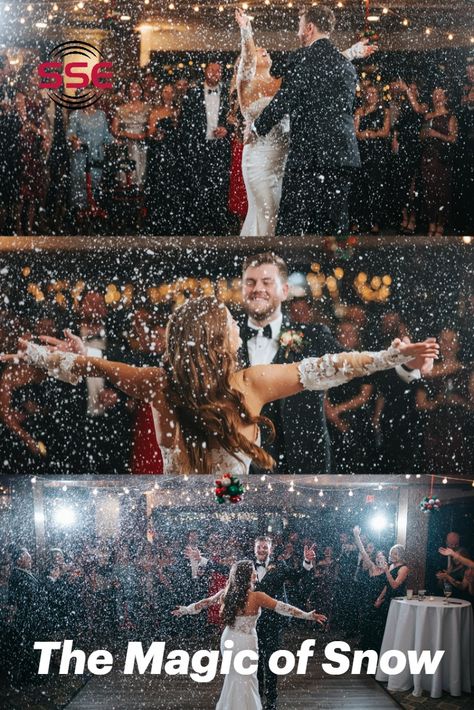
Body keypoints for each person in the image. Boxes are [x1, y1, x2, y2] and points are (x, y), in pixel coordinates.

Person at [1, 296, 438, 475]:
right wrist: (388, 358)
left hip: (175, 515)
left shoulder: (157, 384)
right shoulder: (251, 384)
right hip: (230, 513)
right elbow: (327, 367)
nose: (236, 329)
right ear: (218, 340)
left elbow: (86, 366)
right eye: (230, 325)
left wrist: (43, 355)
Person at [239, 252, 437, 473]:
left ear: (284, 291)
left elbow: (359, 367)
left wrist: (406, 364)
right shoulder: (226, 337)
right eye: (250, 282)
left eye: (267, 282)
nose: (258, 289)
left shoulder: (313, 336)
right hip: (241, 463)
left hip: (302, 466)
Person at [235, 8, 374, 237]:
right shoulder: (346, 66)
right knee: (335, 226)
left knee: (293, 225)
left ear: (309, 28)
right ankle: (336, 269)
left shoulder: (301, 58)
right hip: (342, 156)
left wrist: (258, 128)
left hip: (308, 157)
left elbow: (285, 100)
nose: (298, 32)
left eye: (300, 26)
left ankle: (294, 268)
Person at [172, 558, 326, 710]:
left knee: (233, 676)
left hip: (229, 639)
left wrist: (186, 609)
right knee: (247, 678)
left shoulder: (226, 593)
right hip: (246, 641)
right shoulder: (257, 597)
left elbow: (205, 602)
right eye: (253, 571)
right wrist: (307, 615)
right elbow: (284, 608)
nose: (255, 574)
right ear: (247, 576)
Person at [180, 62, 233, 235]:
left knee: (219, 188)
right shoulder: (193, 93)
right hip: (198, 148)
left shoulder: (228, 94)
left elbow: (236, 119)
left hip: (219, 148)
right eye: (212, 70)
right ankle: (196, 228)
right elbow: (185, 122)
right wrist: (191, 147)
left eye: (218, 71)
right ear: (205, 72)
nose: (215, 73)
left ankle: (217, 229)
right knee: (197, 188)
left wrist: (227, 129)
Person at [420, 87, 458, 237]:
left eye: (440, 94)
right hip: (428, 156)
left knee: (442, 191)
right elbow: (421, 136)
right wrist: (425, 134)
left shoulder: (451, 117)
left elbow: (453, 139)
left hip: (442, 157)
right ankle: (431, 223)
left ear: (446, 98)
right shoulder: (428, 116)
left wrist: (437, 134)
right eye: (435, 94)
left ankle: (441, 224)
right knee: (429, 191)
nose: (437, 97)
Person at [353, 84, 391, 234]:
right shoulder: (359, 111)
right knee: (360, 186)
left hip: (376, 152)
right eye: (368, 93)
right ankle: (357, 220)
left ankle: (374, 221)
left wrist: (369, 134)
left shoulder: (384, 111)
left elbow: (385, 131)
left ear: (378, 95)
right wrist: (364, 134)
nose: (371, 95)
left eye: (374, 92)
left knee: (375, 186)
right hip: (361, 152)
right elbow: (355, 131)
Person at [112, 79, 151, 189]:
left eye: (138, 88)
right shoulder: (121, 109)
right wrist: (126, 134)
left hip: (142, 145)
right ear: (128, 91)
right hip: (127, 146)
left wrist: (142, 136)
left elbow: (151, 128)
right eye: (133, 89)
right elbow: (114, 130)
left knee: (142, 173)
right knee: (126, 177)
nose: (136, 91)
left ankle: (140, 201)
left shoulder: (148, 107)